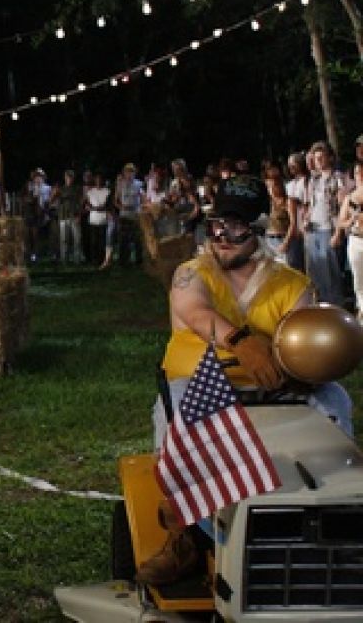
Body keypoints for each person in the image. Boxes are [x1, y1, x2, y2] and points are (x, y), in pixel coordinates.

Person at [138, 174, 353, 585]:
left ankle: (335, 509)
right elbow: (196, 312)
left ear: (258, 230)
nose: (222, 236)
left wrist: (304, 369)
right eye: (216, 225)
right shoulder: (190, 273)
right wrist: (241, 342)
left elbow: (303, 335)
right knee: (177, 412)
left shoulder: (293, 285)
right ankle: (186, 537)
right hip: (199, 383)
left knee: (334, 399)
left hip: (272, 385)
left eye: (235, 227)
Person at [303, 141, 348, 305]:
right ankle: (321, 305)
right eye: (316, 158)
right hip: (312, 229)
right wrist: (306, 219)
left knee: (331, 272)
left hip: (328, 229)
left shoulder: (338, 178)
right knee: (315, 270)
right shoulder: (313, 179)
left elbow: (343, 207)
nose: (318, 161)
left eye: (321, 157)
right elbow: (311, 205)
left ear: (330, 158)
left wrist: (338, 233)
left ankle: (335, 306)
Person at [337, 161, 363, 321]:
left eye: (362, 172)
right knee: (358, 278)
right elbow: (341, 222)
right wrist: (352, 220)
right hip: (355, 241)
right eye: (357, 172)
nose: (360, 176)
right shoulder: (349, 198)